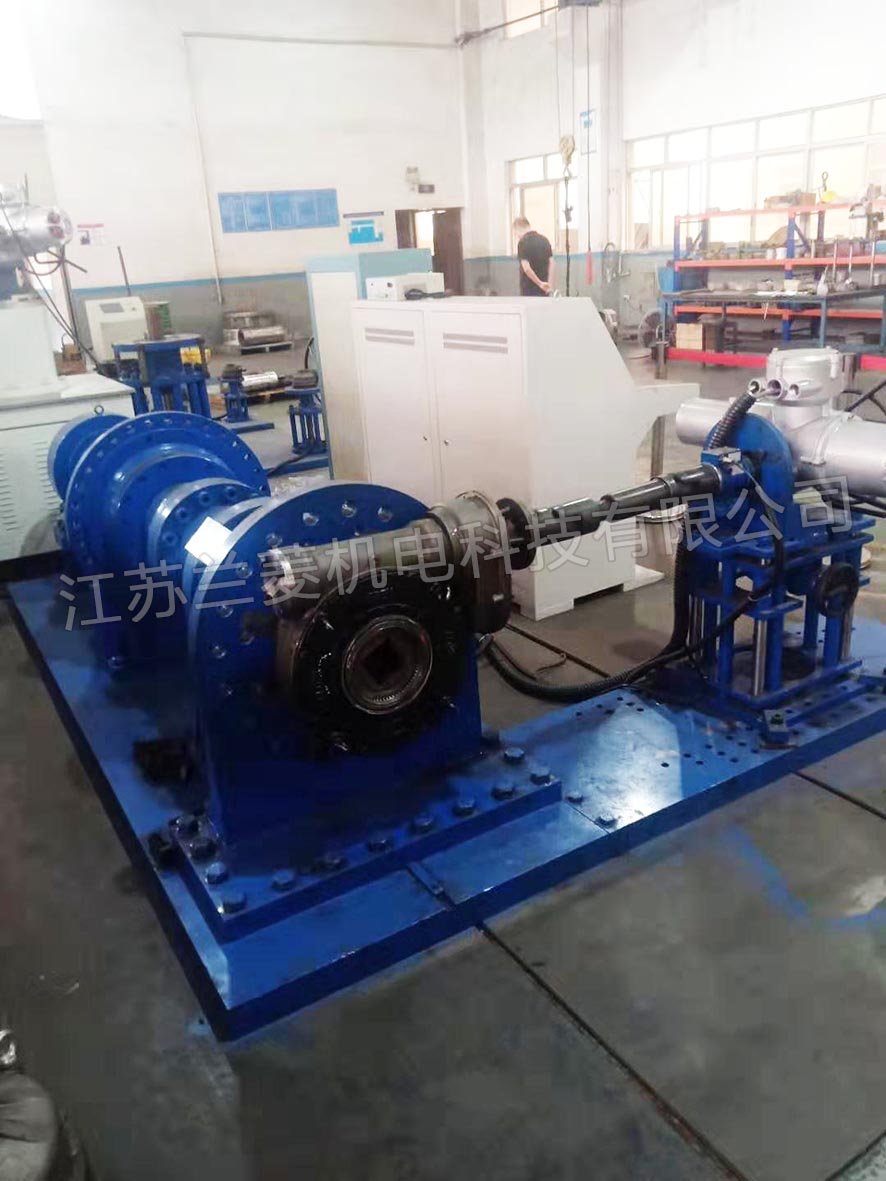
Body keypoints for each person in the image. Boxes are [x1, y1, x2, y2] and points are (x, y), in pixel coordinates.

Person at [514, 216, 555, 296]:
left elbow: (526, 268)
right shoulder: (544, 240)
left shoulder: (522, 243)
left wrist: (540, 284)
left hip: (528, 290)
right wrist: (549, 285)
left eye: (516, 233)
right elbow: (552, 263)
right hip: (544, 290)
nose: (517, 236)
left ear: (518, 229)